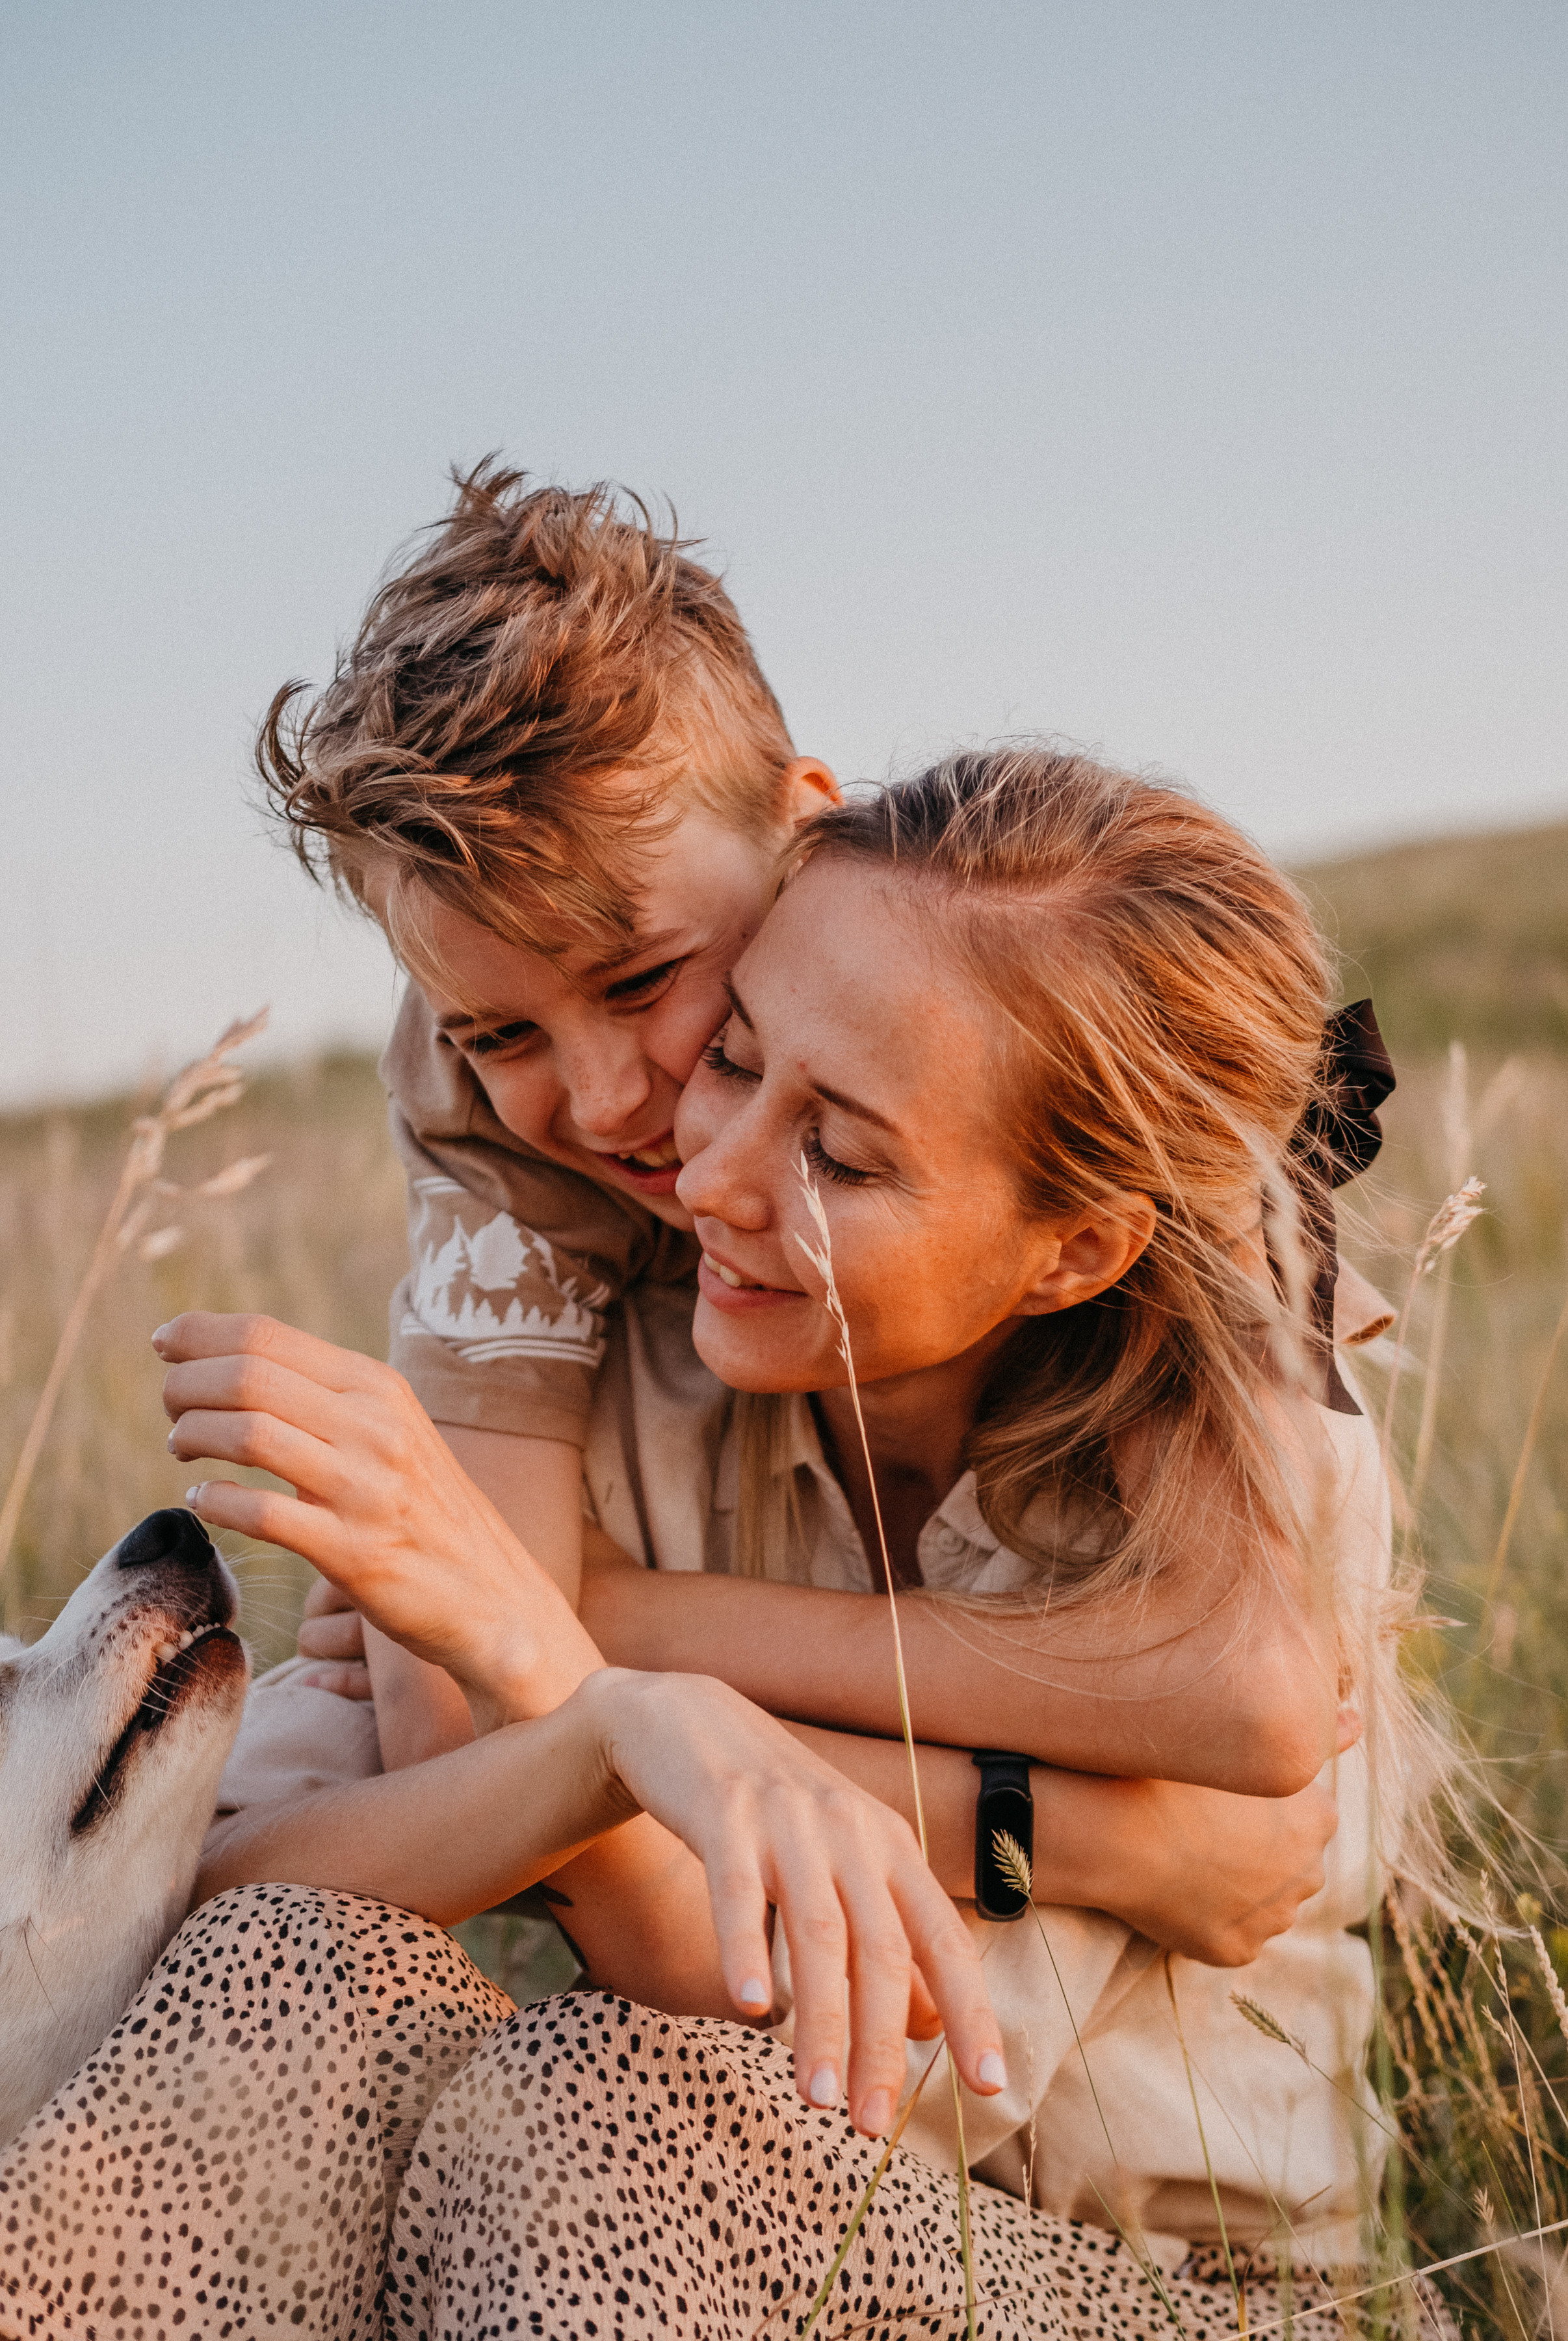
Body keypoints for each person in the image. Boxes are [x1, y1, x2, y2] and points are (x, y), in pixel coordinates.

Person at [116, 749, 1439, 2333]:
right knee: (297, 1999)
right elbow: (214, 1885)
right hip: (726, 2224)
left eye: (844, 1157)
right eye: (734, 1061)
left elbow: (843, 2057)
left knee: (588, 2110)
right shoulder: (637, 1391)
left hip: (1163, 2288)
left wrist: (570, 1642)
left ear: (1074, 1247)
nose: (706, 1172)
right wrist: (628, 1722)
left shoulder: (1206, 1512)